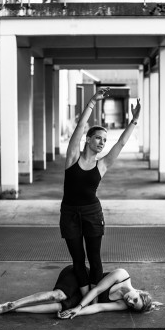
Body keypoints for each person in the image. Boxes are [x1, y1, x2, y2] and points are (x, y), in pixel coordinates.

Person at [60, 87, 141, 300]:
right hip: (69, 214)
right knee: (78, 259)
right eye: (98, 138)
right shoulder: (72, 158)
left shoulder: (102, 164)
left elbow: (121, 143)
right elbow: (79, 127)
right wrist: (93, 101)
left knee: (94, 259)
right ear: (88, 140)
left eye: (104, 140)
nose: (102, 142)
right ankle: (86, 298)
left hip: (92, 214)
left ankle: (92, 300)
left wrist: (134, 120)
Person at [0, 265, 160, 317]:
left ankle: (13, 309)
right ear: (138, 291)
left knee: (59, 308)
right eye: (135, 300)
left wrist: (75, 312)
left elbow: (98, 307)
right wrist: (79, 307)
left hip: (81, 297)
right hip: (79, 277)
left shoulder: (122, 304)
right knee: (58, 295)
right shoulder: (122, 275)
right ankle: (15, 302)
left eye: (132, 306)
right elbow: (96, 291)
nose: (129, 302)